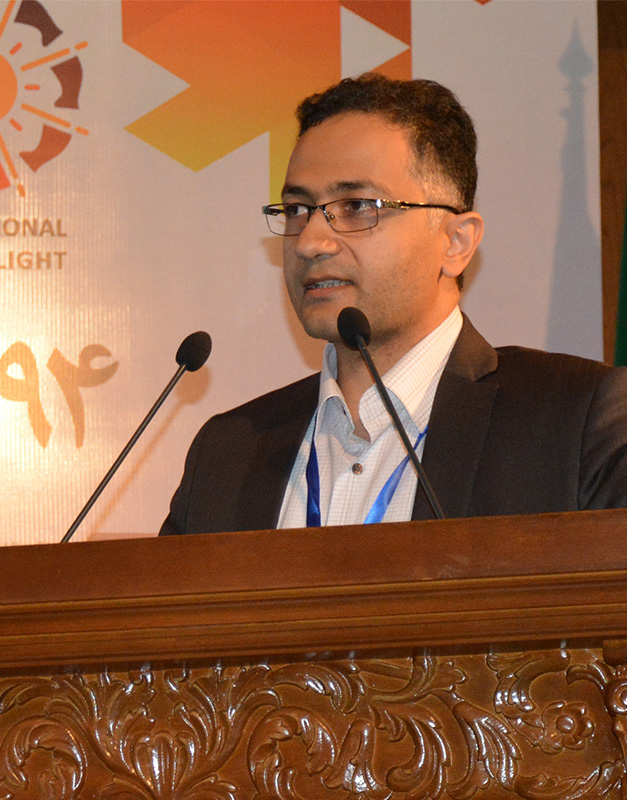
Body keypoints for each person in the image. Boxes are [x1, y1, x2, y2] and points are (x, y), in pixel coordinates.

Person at [160, 74, 627, 536]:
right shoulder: (225, 454)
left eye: (357, 206)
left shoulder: (575, 423)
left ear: (456, 242)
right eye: (298, 209)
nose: (310, 241)